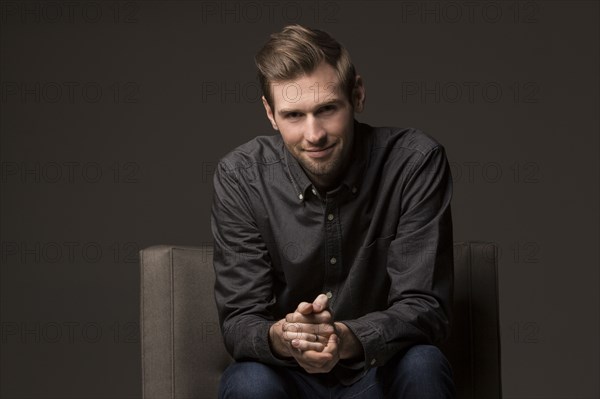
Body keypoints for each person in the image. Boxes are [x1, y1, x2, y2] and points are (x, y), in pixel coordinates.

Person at [211, 24, 455, 398]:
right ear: (270, 114)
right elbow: (241, 319)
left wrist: (345, 338)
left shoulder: (414, 163)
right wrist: (286, 336)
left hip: (378, 371)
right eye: (293, 116)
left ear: (356, 94)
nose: (314, 134)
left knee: (424, 362)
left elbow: (424, 306)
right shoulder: (240, 176)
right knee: (247, 381)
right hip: (286, 377)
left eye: (327, 109)